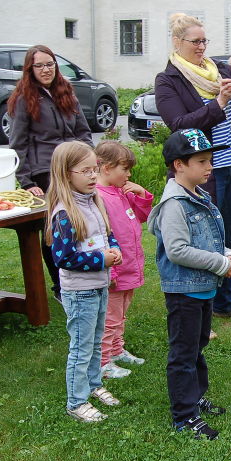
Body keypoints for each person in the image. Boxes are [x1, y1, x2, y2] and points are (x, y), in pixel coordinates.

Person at [154, 13, 231, 329]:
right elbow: (178, 126)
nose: (202, 46)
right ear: (178, 42)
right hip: (201, 175)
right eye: (196, 41)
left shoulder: (219, 69)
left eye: (205, 40)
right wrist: (218, 102)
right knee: (202, 243)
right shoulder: (168, 81)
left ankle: (225, 303)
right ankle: (198, 310)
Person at [147, 129, 231, 441]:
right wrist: (219, 264)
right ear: (179, 165)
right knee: (183, 353)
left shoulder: (199, 194)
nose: (209, 166)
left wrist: (226, 252)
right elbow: (177, 250)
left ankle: (194, 396)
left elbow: (210, 238)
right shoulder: (175, 204)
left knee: (198, 346)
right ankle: (184, 416)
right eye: (201, 161)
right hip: (184, 291)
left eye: (210, 160)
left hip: (202, 288)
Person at [9, 45, 93, 301]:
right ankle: (60, 286)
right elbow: (18, 143)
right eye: (39, 66)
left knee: (85, 221)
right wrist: (26, 182)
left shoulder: (65, 91)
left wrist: (88, 160)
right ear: (30, 69)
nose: (46, 70)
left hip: (74, 167)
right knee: (56, 228)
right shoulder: (23, 98)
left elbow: (83, 131)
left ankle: (85, 273)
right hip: (45, 171)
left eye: (50, 64)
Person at [46, 141, 122, 423]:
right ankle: (76, 402)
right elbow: (63, 258)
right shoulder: (65, 213)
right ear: (67, 174)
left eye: (95, 170)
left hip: (100, 286)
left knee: (94, 343)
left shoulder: (93, 201)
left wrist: (114, 250)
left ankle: (93, 385)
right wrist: (102, 260)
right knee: (81, 345)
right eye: (85, 171)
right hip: (80, 293)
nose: (93, 176)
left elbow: (107, 234)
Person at [94, 141, 153, 379]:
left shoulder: (121, 192)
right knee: (110, 318)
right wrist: (112, 271)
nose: (128, 174)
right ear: (106, 168)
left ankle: (117, 351)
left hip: (129, 266)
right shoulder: (98, 198)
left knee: (121, 314)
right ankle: (103, 362)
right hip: (116, 270)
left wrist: (142, 195)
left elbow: (141, 216)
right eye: (124, 169)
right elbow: (100, 238)